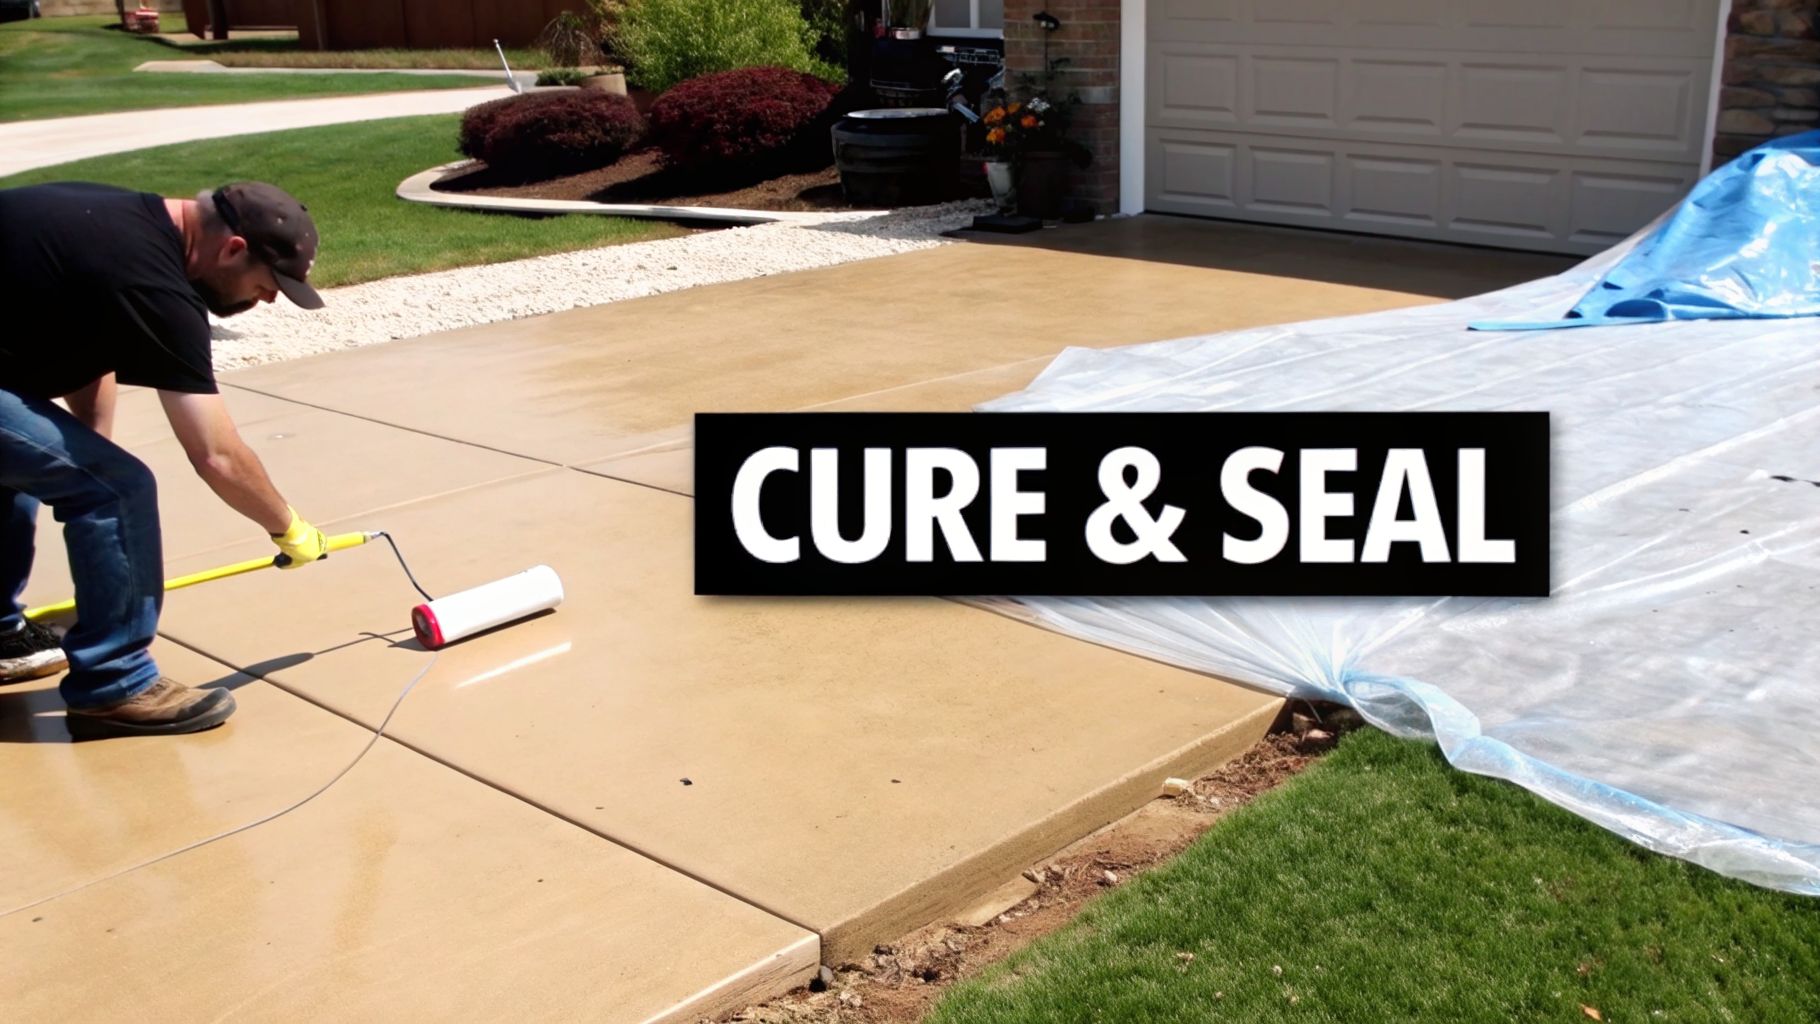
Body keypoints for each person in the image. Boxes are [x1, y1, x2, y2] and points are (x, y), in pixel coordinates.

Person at [0, 181, 332, 737]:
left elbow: (93, 349)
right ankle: (116, 685)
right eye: (268, 283)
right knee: (116, 487)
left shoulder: (122, 225)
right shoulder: (151, 279)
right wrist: (288, 527)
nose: (269, 299)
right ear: (231, 249)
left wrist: (85, 450)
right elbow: (216, 454)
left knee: (35, 468)